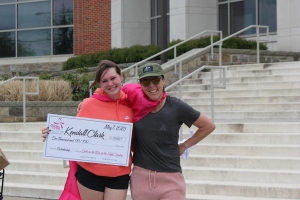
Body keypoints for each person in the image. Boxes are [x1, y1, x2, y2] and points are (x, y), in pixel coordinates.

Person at [77, 62, 215, 200]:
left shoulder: (176, 106)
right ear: (140, 84)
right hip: (140, 177)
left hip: (170, 177)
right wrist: (89, 102)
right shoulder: (133, 103)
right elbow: (110, 96)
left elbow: (208, 126)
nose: (151, 85)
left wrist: (184, 146)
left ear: (163, 80)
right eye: (145, 81)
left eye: (155, 80)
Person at [42, 60, 134, 200]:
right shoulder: (88, 104)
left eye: (113, 78)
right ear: (99, 83)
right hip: (90, 172)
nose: (110, 84)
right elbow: (73, 135)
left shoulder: (131, 104)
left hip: (119, 173)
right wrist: (52, 135)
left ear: (121, 76)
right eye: (104, 81)